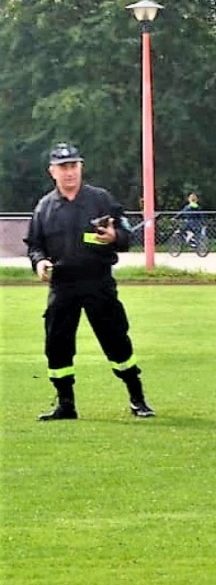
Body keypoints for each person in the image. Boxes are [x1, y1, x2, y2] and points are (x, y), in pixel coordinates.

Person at [24, 142, 155, 421]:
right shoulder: (44, 207)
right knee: (57, 345)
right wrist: (39, 262)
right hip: (62, 285)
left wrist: (114, 237)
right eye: (63, 167)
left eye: (73, 166)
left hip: (98, 283)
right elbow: (34, 244)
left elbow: (126, 234)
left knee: (117, 341)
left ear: (81, 168)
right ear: (52, 172)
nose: (69, 172)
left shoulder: (102, 199)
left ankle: (137, 398)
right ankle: (65, 404)